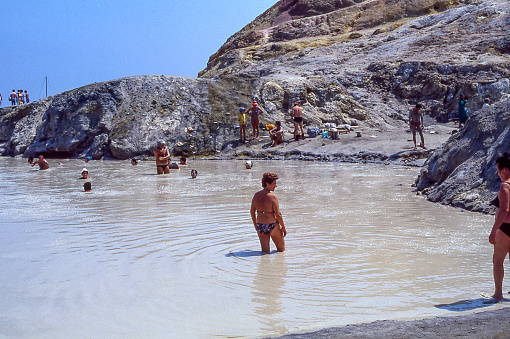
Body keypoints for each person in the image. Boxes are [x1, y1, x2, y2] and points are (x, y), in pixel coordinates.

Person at [489, 153, 510, 300]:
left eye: (498, 170)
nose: (497, 173)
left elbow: (504, 210)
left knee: (498, 261)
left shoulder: (505, 185)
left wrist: (494, 230)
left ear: (505, 169)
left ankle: (498, 294)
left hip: (505, 228)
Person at [250, 173, 287, 253]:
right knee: (281, 251)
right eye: (274, 183)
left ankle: (265, 265)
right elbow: (278, 214)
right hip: (273, 225)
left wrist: (255, 225)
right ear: (267, 183)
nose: (276, 186)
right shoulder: (272, 197)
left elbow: (252, 211)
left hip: (260, 226)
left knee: (265, 253)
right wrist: (283, 227)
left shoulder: (256, 195)